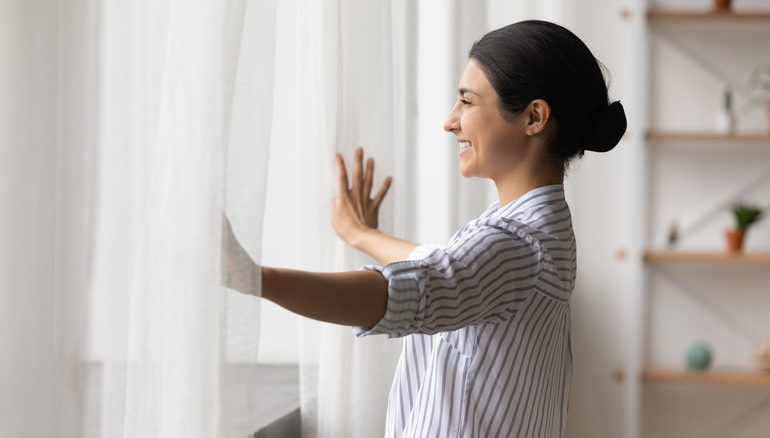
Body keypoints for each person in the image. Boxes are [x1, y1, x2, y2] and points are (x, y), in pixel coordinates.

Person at [223, 19, 626, 438]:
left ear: (534, 117)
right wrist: (362, 235)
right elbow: (448, 269)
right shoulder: (539, 237)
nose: (450, 121)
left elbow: (414, 289)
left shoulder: (515, 247)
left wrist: (254, 278)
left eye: (467, 102)